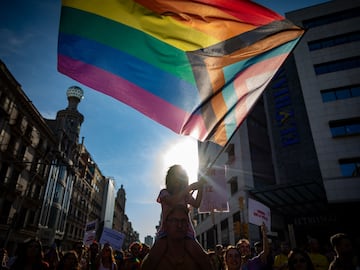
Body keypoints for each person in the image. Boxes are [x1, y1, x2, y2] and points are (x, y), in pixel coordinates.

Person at [141, 164, 211, 270]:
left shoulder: (186, 194)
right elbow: (172, 201)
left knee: (203, 258)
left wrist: (200, 187)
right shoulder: (164, 193)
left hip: (186, 231)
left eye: (180, 178)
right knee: (151, 259)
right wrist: (190, 188)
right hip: (166, 232)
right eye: (175, 178)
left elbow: (196, 204)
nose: (178, 181)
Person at [141, 204, 211, 270]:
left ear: (188, 225)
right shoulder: (155, 256)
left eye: (183, 221)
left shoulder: (198, 256)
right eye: (174, 220)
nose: (179, 225)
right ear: (165, 225)